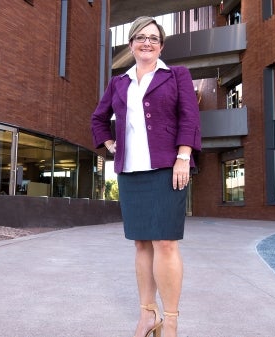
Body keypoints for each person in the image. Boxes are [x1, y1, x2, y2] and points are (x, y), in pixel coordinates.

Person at [91, 16, 201, 337]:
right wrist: (112, 144)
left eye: (153, 38)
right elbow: (98, 119)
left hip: (168, 168)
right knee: (141, 244)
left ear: (161, 45)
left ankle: (172, 320)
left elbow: (189, 117)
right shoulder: (119, 82)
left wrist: (184, 157)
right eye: (140, 37)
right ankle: (147, 315)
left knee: (165, 243)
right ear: (131, 44)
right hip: (131, 171)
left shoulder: (176, 75)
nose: (147, 43)